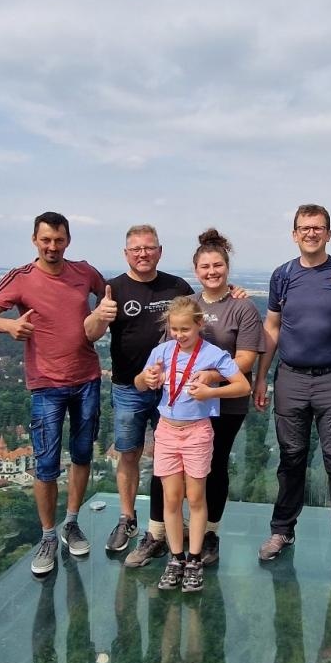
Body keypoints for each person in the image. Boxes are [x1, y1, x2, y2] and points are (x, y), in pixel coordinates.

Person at [0, 211, 107, 577]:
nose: (52, 246)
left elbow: (111, 293)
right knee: (46, 464)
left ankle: (72, 522)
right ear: (35, 240)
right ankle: (48, 536)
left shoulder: (84, 272)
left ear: (68, 240)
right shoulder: (21, 278)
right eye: (46, 240)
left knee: (81, 455)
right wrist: (9, 325)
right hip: (46, 384)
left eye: (59, 240)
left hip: (87, 379)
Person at [253, 204, 331, 570]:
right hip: (290, 376)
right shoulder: (283, 275)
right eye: (304, 228)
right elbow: (271, 328)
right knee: (291, 459)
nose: (311, 233)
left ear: (329, 234)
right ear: (294, 234)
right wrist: (261, 376)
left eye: (318, 228)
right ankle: (282, 530)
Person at [83, 224, 194, 567]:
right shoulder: (113, 288)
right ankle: (127, 519)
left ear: (159, 251)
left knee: (173, 459)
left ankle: (171, 522)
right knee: (128, 453)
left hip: (170, 389)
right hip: (128, 387)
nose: (143, 254)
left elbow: (199, 322)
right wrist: (99, 317)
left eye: (149, 248)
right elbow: (88, 334)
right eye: (136, 249)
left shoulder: (177, 286)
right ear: (126, 253)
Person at [134, 296, 252, 593]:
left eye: (185, 328)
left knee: (196, 498)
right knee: (171, 500)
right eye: (174, 329)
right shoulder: (161, 351)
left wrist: (210, 393)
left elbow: (243, 386)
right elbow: (139, 383)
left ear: (200, 324)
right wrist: (146, 378)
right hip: (166, 432)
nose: (179, 335)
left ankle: (195, 559)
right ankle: (175, 558)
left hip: (197, 433)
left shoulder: (213, 354)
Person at [192, 228, 264, 566]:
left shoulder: (243, 307)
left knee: (215, 464)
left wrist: (211, 377)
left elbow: (247, 359)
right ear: (196, 271)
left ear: (227, 267)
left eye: (217, 266)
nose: (212, 272)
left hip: (228, 400)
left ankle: (210, 533)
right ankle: (181, 532)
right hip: (190, 402)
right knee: (189, 468)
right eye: (205, 267)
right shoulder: (188, 305)